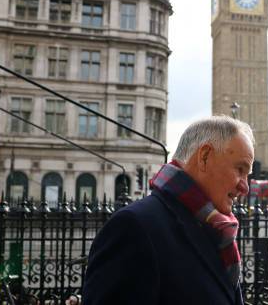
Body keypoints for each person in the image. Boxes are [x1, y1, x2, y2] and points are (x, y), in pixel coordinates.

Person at [82, 116, 254, 305]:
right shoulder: (135, 227)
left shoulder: (218, 230)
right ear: (204, 157)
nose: (245, 187)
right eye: (240, 169)